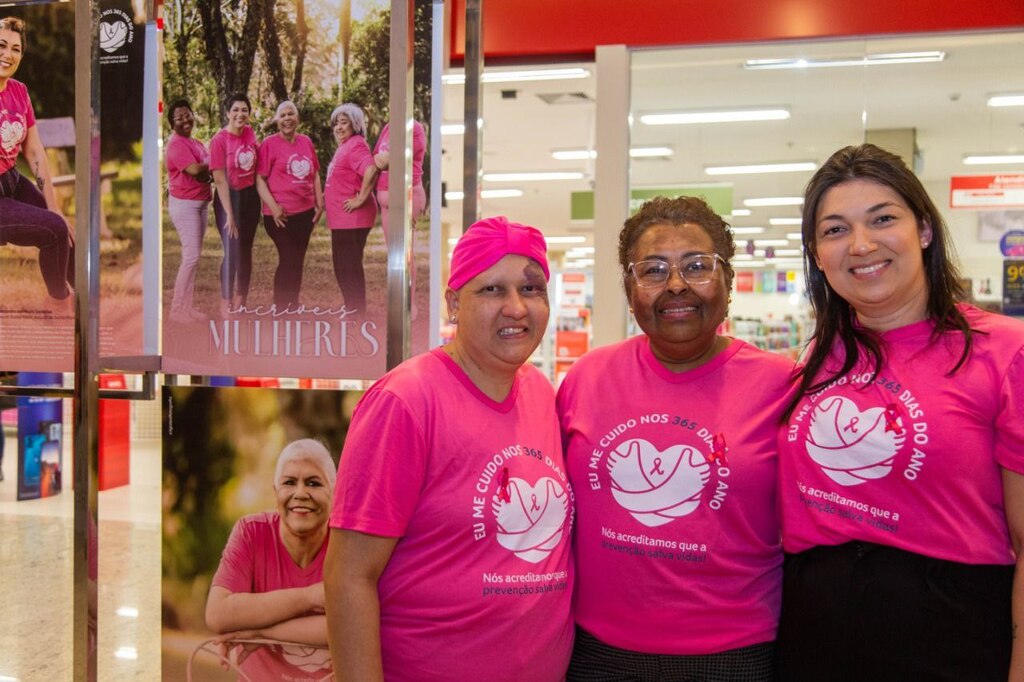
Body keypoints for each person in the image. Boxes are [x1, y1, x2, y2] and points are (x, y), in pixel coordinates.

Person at [776, 143, 1024, 681]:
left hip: (951, 633)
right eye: (835, 230)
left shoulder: (1004, 351)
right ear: (817, 254)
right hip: (813, 632)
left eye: (883, 219)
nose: (861, 245)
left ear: (925, 231)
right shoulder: (813, 361)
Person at [324, 216, 574, 681]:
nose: (516, 308)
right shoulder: (405, 402)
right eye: (492, 290)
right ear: (454, 304)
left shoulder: (540, 391)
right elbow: (348, 578)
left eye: (532, 289)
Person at [557, 196, 794, 681]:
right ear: (629, 288)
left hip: (734, 655)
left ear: (727, 283)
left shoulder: (783, 385)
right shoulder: (587, 377)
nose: (677, 285)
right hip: (597, 651)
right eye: (654, 270)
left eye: (698, 266)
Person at [206, 438, 335, 680]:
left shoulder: (348, 543)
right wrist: (312, 597)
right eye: (289, 482)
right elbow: (218, 614)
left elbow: (352, 627)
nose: (301, 493)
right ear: (276, 492)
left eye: (313, 483)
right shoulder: (251, 532)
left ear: (335, 492)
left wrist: (260, 632)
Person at [0, 16, 74, 311]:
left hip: (12, 181)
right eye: (2, 45)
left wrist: (53, 207)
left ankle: (91, 311)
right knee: (54, 230)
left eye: (16, 49)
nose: (8, 55)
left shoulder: (19, 91)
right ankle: (59, 306)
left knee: (66, 233)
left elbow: (34, 152)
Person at [255, 100, 324, 310]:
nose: (287, 118)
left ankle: (292, 304)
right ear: (277, 120)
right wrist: (274, 207)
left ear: (297, 119)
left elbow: (315, 175)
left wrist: (320, 203)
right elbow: (259, 180)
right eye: (282, 115)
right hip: (279, 215)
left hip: (304, 214)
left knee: (297, 259)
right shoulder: (269, 144)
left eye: (290, 114)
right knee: (288, 257)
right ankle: (281, 305)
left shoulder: (305, 142)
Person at [209, 93, 261, 317]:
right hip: (227, 198)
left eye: (244, 110)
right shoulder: (219, 140)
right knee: (232, 251)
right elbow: (219, 179)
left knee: (246, 250)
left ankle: (242, 299)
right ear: (228, 112)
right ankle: (226, 300)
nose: (241, 114)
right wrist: (229, 214)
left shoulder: (250, 133)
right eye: (236, 110)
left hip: (250, 198)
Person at [323, 103, 378, 313]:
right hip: (342, 219)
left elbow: (371, 169)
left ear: (354, 124)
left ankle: (356, 311)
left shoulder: (356, 145)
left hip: (352, 218)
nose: (338, 127)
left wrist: (360, 198)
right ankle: (352, 307)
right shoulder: (345, 146)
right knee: (343, 266)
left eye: (343, 122)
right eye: (336, 123)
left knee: (348, 267)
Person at [164, 98, 211, 324]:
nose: (185, 120)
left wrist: (207, 168)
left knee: (194, 257)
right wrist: (214, 162)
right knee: (190, 257)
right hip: (185, 206)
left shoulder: (196, 143)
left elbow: (206, 172)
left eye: (187, 114)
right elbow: (194, 170)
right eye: (179, 118)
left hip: (200, 204)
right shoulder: (176, 144)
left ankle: (187, 308)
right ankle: (176, 310)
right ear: (172, 124)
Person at [373, 117, 427, 243]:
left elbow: (395, 159)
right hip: (385, 198)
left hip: (405, 195)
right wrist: (382, 159)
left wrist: (383, 159)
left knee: (402, 251)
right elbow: (375, 156)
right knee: (393, 250)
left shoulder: (414, 128)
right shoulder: (388, 127)